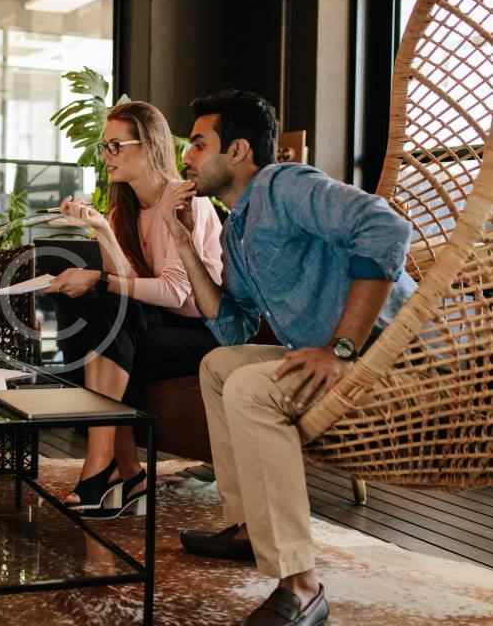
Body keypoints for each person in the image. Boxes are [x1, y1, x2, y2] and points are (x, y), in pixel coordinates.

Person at [160, 89, 416, 625]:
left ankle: (301, 586)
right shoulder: (238, 227)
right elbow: (231, 328)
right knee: (219, 367)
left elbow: (387, 226)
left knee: (252, 389)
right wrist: (184, 243)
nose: (186, 157)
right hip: (325, 356)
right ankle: (252, 527)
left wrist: (343, 347)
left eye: (198, 144)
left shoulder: (285, 184)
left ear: (238, 151)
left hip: (388, 354)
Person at [44, 101, 223, 518]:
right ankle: (124, 471)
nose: (105, 156)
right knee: (93, 307)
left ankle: (107, 468)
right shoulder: (125, 210)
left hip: (204, 331)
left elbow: (179, 294)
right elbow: (126, 285)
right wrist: (102, 230)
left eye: (114, 146)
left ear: (148, 146)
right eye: (103, 147)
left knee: (104, 307)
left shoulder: (186, 203)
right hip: (152, 325)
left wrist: (100, 280)